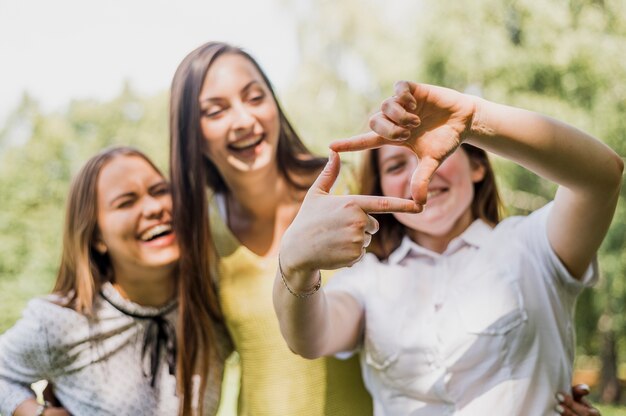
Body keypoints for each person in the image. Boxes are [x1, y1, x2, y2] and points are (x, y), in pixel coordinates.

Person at [273, 81, 622, 415]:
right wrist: (295, 263)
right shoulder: (368, 279)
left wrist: (474, 119)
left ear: (477, 166)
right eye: (396, 165)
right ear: (380, 188)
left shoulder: (534, 245)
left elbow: (602, 176)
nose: (419, 173)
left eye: (438, 150)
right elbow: (310, 338)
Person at [168, 41, 426, 415]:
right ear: (193, 135)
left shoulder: (346, 188)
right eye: (216, 111)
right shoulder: (199, 235)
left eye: (254, 97)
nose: (243, 120)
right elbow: (201, 371)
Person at [0, 146, 228, 416]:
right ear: (97, 237)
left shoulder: (213, 297)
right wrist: (35, 413)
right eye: (126, 202)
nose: (154, 208)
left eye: (160, 190)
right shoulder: (61, 322)